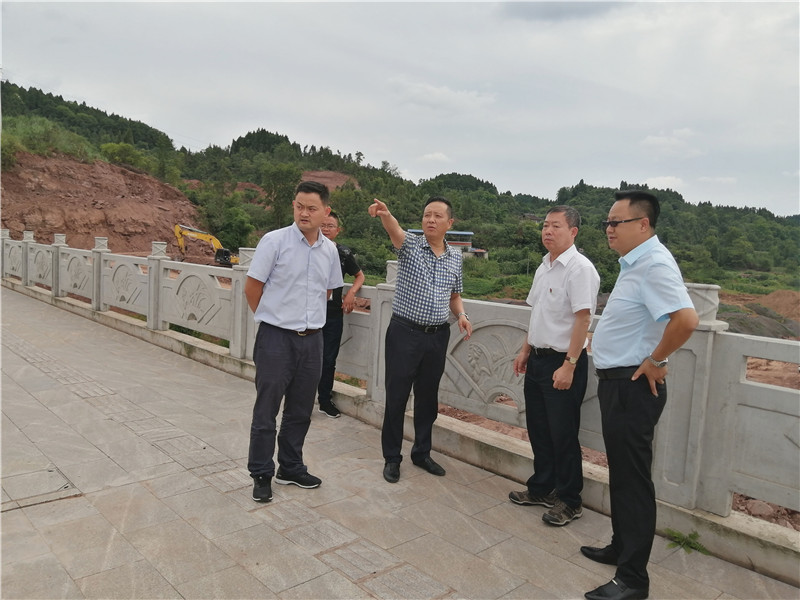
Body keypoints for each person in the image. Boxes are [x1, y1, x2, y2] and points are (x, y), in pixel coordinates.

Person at [582, 190, 699, 600]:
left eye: (616, 222)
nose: (609, 229)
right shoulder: (635, 263)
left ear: (643, 224)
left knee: (633, 482)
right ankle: (621, 547)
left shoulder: (654, 265)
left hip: (632, 386)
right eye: (607, 223)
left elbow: (687, 319)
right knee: (622, 474)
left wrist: (656, 358)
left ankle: (633, 580)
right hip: (618, 383)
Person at [245, 180, 344, 503]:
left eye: (312, 208)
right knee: (267, 409)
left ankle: (290, 467)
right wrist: (273, 318)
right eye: (299, 206)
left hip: (313, 340)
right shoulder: (274, 241)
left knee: (301, 409)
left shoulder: (330, 251)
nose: (304, 213)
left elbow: (327, 292)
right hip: (276, 338)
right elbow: (252, 287)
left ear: (326, 212)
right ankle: (261, 472)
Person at [368, 196, 473, 483]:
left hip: (437, 336)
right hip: (405, 333)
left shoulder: (455, 257)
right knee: (397, 397)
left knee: (427, 399)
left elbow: (454, 295)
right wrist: (385, 214)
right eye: (427, 215)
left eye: (437, 216)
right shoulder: (411, 245)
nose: (431, 220)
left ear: (449, 223)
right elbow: (395, 230)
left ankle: (422, 452)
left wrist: (462, 315)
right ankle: (392, 458)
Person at [509, 206, 600, 527]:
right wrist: (525, 350)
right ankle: (542, 488)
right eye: (545, 225)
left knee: (563, 434)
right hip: (537, 359)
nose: (547, 231)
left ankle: (570, 500)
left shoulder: (580, 269)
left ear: (573, 231)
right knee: (539, 429)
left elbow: (583, 320)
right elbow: (537, 314)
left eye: (555, 226)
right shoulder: (544, 266)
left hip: (563, 362)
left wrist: (570, 365)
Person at [317, 210, 366, 418]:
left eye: (330, 226)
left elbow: (360, 276)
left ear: (338, 230)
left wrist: (351, 293)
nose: (326, 229)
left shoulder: (343, 253)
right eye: (323, 225)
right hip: (309, 312)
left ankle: (324, 400)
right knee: (305, 357)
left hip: (333, 314)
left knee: (329, 359)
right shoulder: (308, 248)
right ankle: (300, 401)